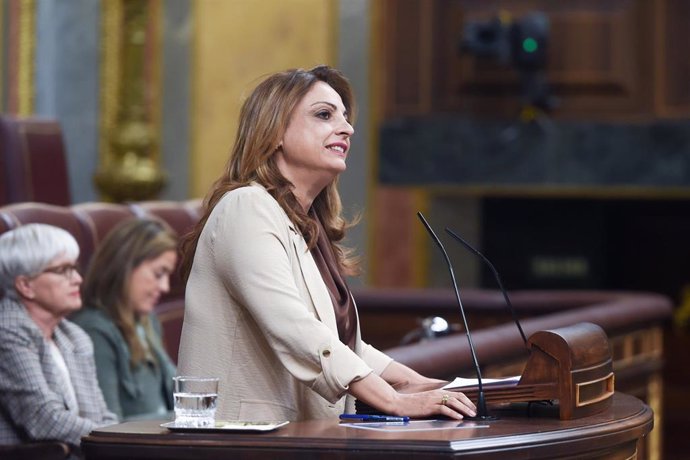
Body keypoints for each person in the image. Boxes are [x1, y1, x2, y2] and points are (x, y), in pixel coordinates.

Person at [177, 65, 477, 422]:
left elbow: (341, 343)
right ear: (274, 133)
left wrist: (422, 384)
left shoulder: (306, 226)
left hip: (296, 438)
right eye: (324, 115)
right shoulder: (246, 207)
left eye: (346, 118)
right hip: (241, 439)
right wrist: (395, 401)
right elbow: (292, 327)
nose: (347, 129)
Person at [0, 224, 117, 452]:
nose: (78, 279)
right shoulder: (7, 331)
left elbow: (101, 413)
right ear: (25, 285)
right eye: (63, 270)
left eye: (75, 268)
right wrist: (114, 442)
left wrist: (125, 442)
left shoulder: (74, 336)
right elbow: (42, 418)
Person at [71, 218, 178, 421]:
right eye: (158, 273)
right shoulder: (94, 330)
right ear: (125, 266)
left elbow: (179, 395)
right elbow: (109, 427)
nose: (164, 287)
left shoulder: (148, 322)